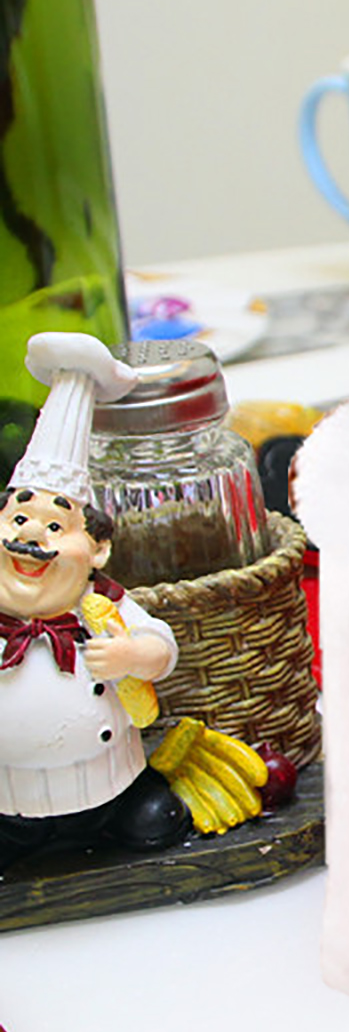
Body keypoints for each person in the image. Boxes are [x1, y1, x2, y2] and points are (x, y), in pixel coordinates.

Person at [0, 335, 190, 869]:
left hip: (109, 780)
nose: (29, 539)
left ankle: (121, 816)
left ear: (97, 548)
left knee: (156, 819)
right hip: (10, 793)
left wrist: (132, 656)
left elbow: (161, 648)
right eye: (18, 519)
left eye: (54, 527)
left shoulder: (101, 605)